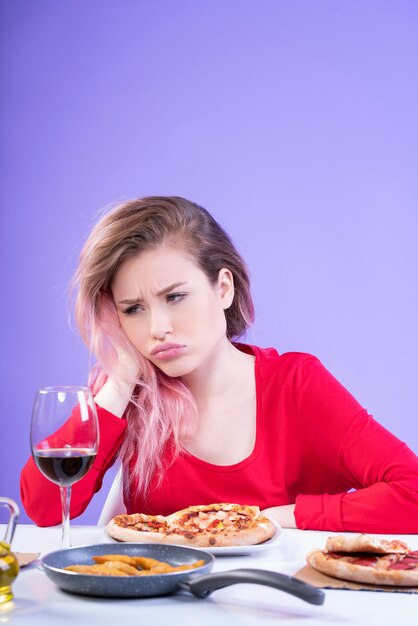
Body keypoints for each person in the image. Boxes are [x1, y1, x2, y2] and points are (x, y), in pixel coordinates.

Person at [21, 196, 418, 532]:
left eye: (175, 297)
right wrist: (122, 382)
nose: (157, 328)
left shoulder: (294, 385)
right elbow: (45, 509)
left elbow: (412, 493)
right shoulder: (126, 397)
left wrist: (290, 517)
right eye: (134, 309)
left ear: (223, 288)